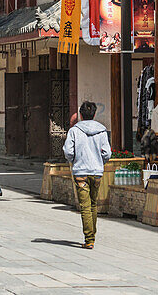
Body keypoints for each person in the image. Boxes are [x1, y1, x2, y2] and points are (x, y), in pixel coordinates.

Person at [62, 100, 112, 249]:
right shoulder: (102, 131)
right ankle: (92, 236)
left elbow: (68, 151)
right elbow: (107, 153)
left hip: (80, 172)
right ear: (94, 114)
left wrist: (74, 161)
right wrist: (100, 162)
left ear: (81, 115)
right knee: (93, 204)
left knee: (85, 206)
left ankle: (89, 239)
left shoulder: (74, 131)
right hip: (96, 172)